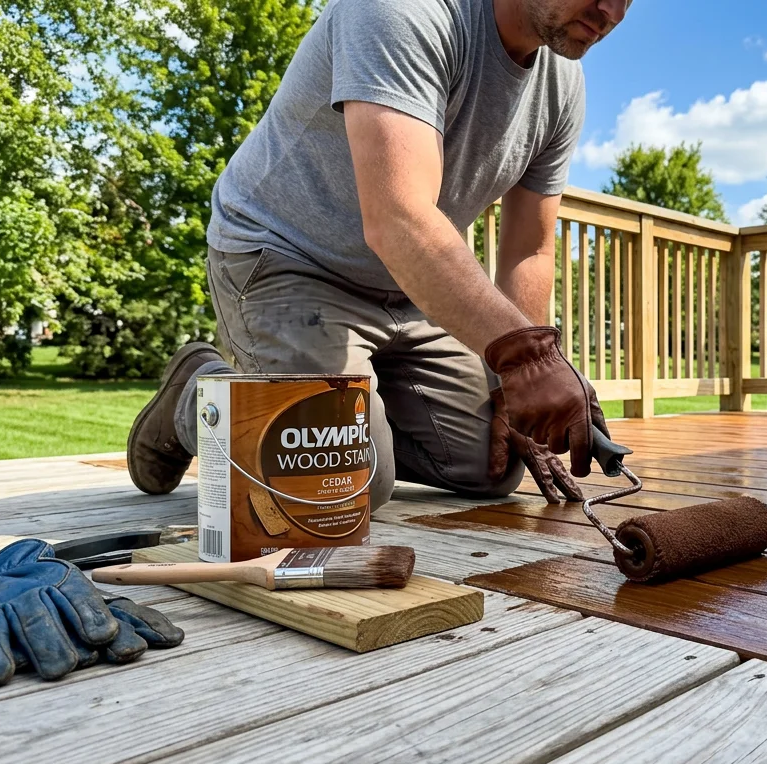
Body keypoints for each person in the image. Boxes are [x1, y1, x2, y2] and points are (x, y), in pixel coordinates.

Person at [126, 0, 631, 510]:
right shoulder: (403, 9)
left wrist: (511, 382)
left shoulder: (563, 85)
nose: (612, 10)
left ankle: (351, 416)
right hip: (291, 258)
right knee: (343, 482)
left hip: (410, 286)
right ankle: (197, 393)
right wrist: (528, 360)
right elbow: (399, 219)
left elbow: (530, 250)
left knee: (493, 463)